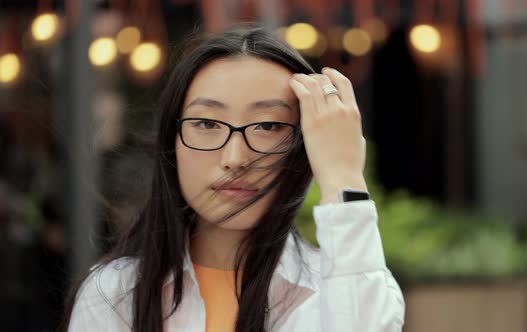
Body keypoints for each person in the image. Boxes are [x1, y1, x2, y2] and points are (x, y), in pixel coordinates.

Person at [62, 24, 405, 332]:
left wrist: (342, 177)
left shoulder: (344, 288)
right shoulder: (116, 293)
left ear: (302, 147)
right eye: (207, 124)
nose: (235, 158)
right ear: (172, 141)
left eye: (268, 126)